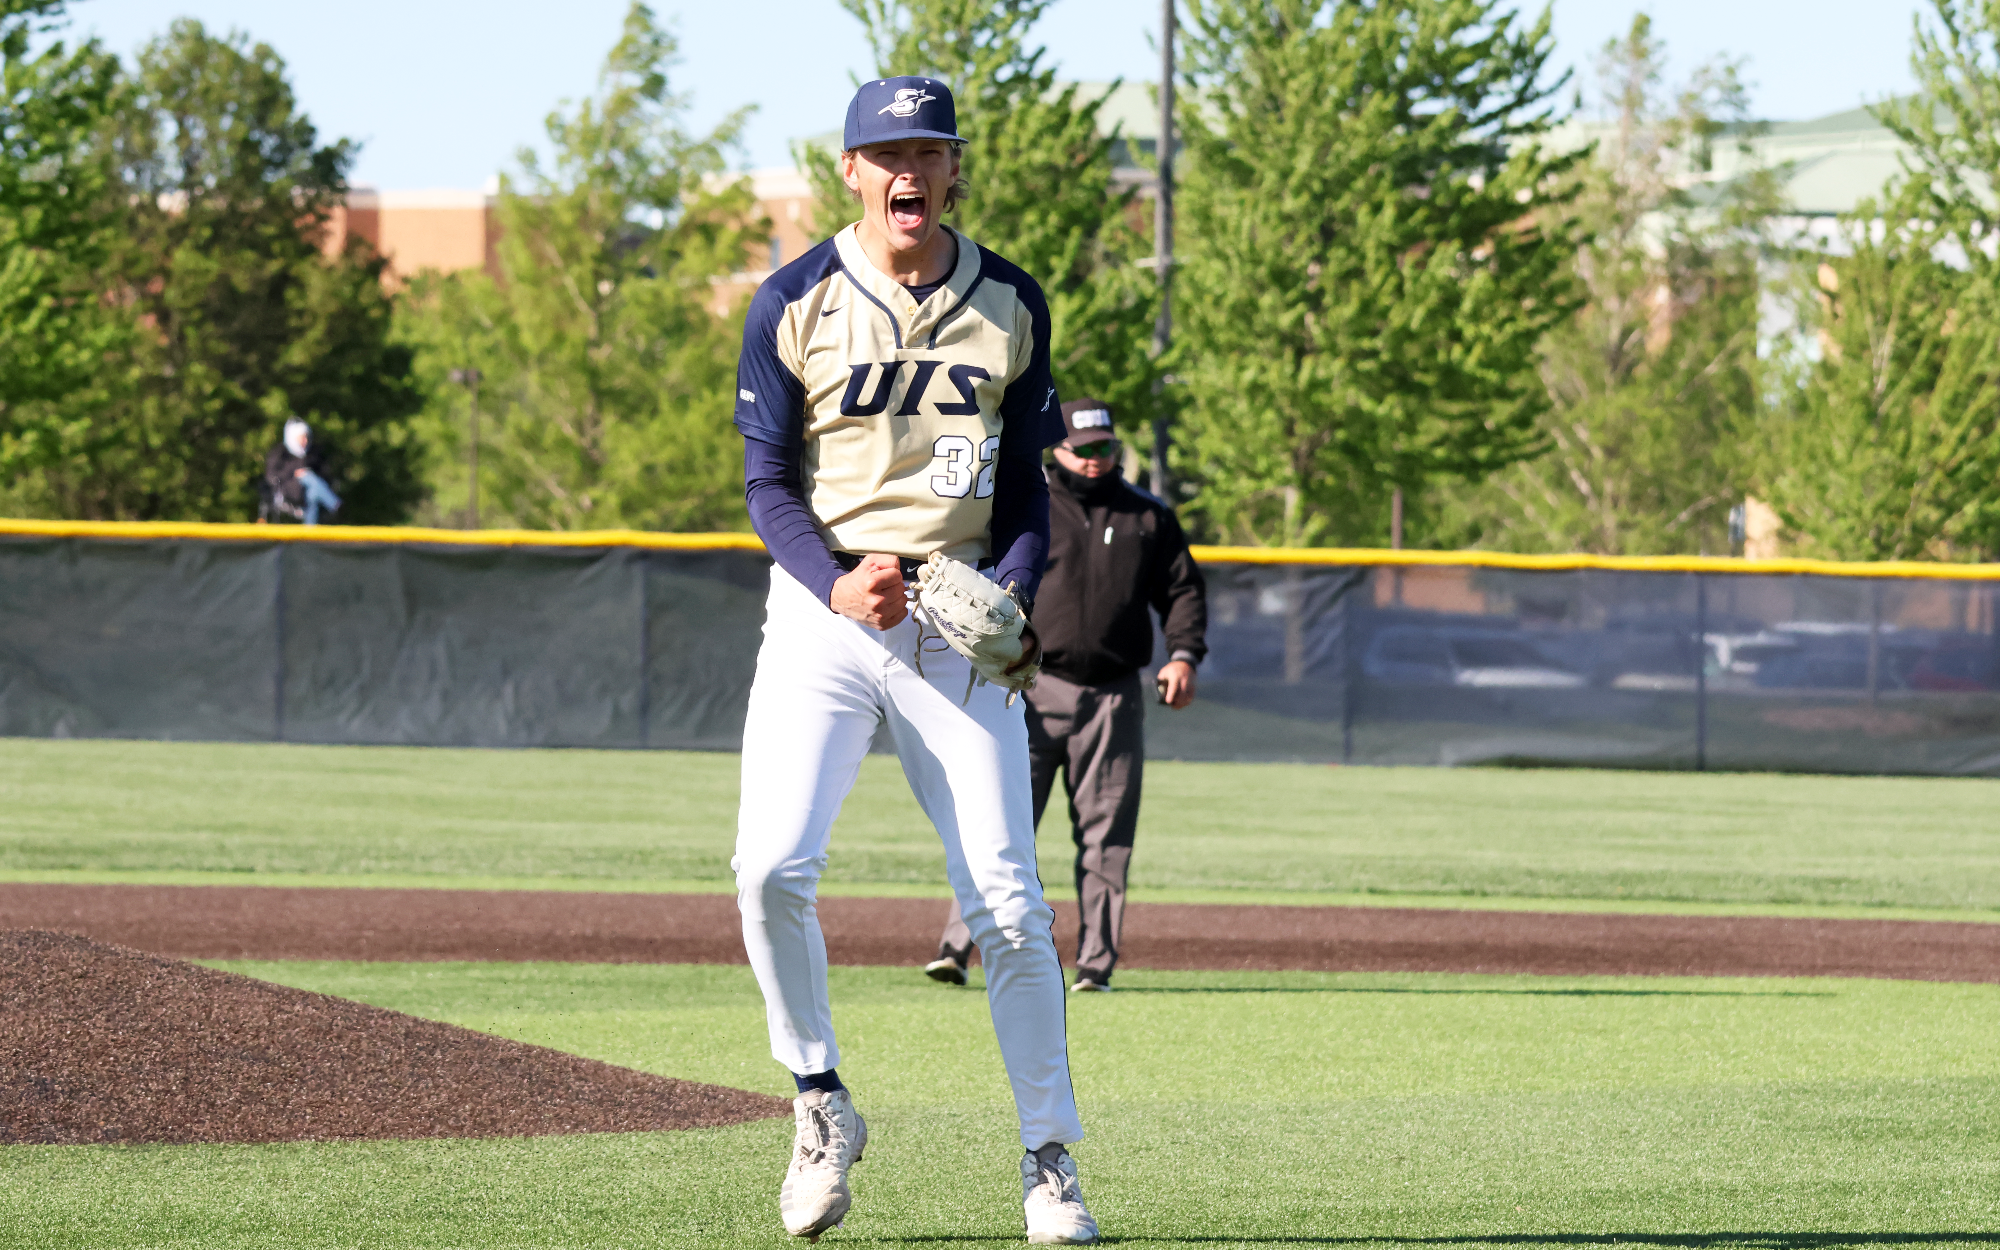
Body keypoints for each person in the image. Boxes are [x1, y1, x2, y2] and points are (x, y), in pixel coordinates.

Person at [729, 77, 1099, 1245]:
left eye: (925, 149)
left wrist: (1009, 590)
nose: (905, 168)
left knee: (1009, 902)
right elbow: (765, 485)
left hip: (953, 627)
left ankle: (1049, 1162)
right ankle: (818, 1096)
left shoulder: (1009, 300)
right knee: (769, 869)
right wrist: (833, 577)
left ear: (950, 169)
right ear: (848, 171)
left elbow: (1031, 487)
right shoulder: (792, 298)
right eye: (882, 149)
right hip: (823, 617)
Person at [924, 399, 1207, 994]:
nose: (1098, 458)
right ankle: (956, 948)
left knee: (1106, 837)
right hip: (1023, 689)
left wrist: (1183, 654)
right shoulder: (1026, 506)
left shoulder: (1147, 516)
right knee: (995, 824)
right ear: (1058, 449)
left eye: (1107, 447)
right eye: (1086, 449)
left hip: (1112, 696)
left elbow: (1183, 592)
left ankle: (1095, 967)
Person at [260, 419, 342, 525]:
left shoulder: (312, 455)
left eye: (306, 437)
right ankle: (335, 504)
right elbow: (272, 475)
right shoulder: (280, 453)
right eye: (302, 437)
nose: (305, 441)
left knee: (312, 494)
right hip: (287, 490)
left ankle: (309, 532)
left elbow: (325, 474)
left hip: (306, 492)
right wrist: (295, 472)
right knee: (308, 477)